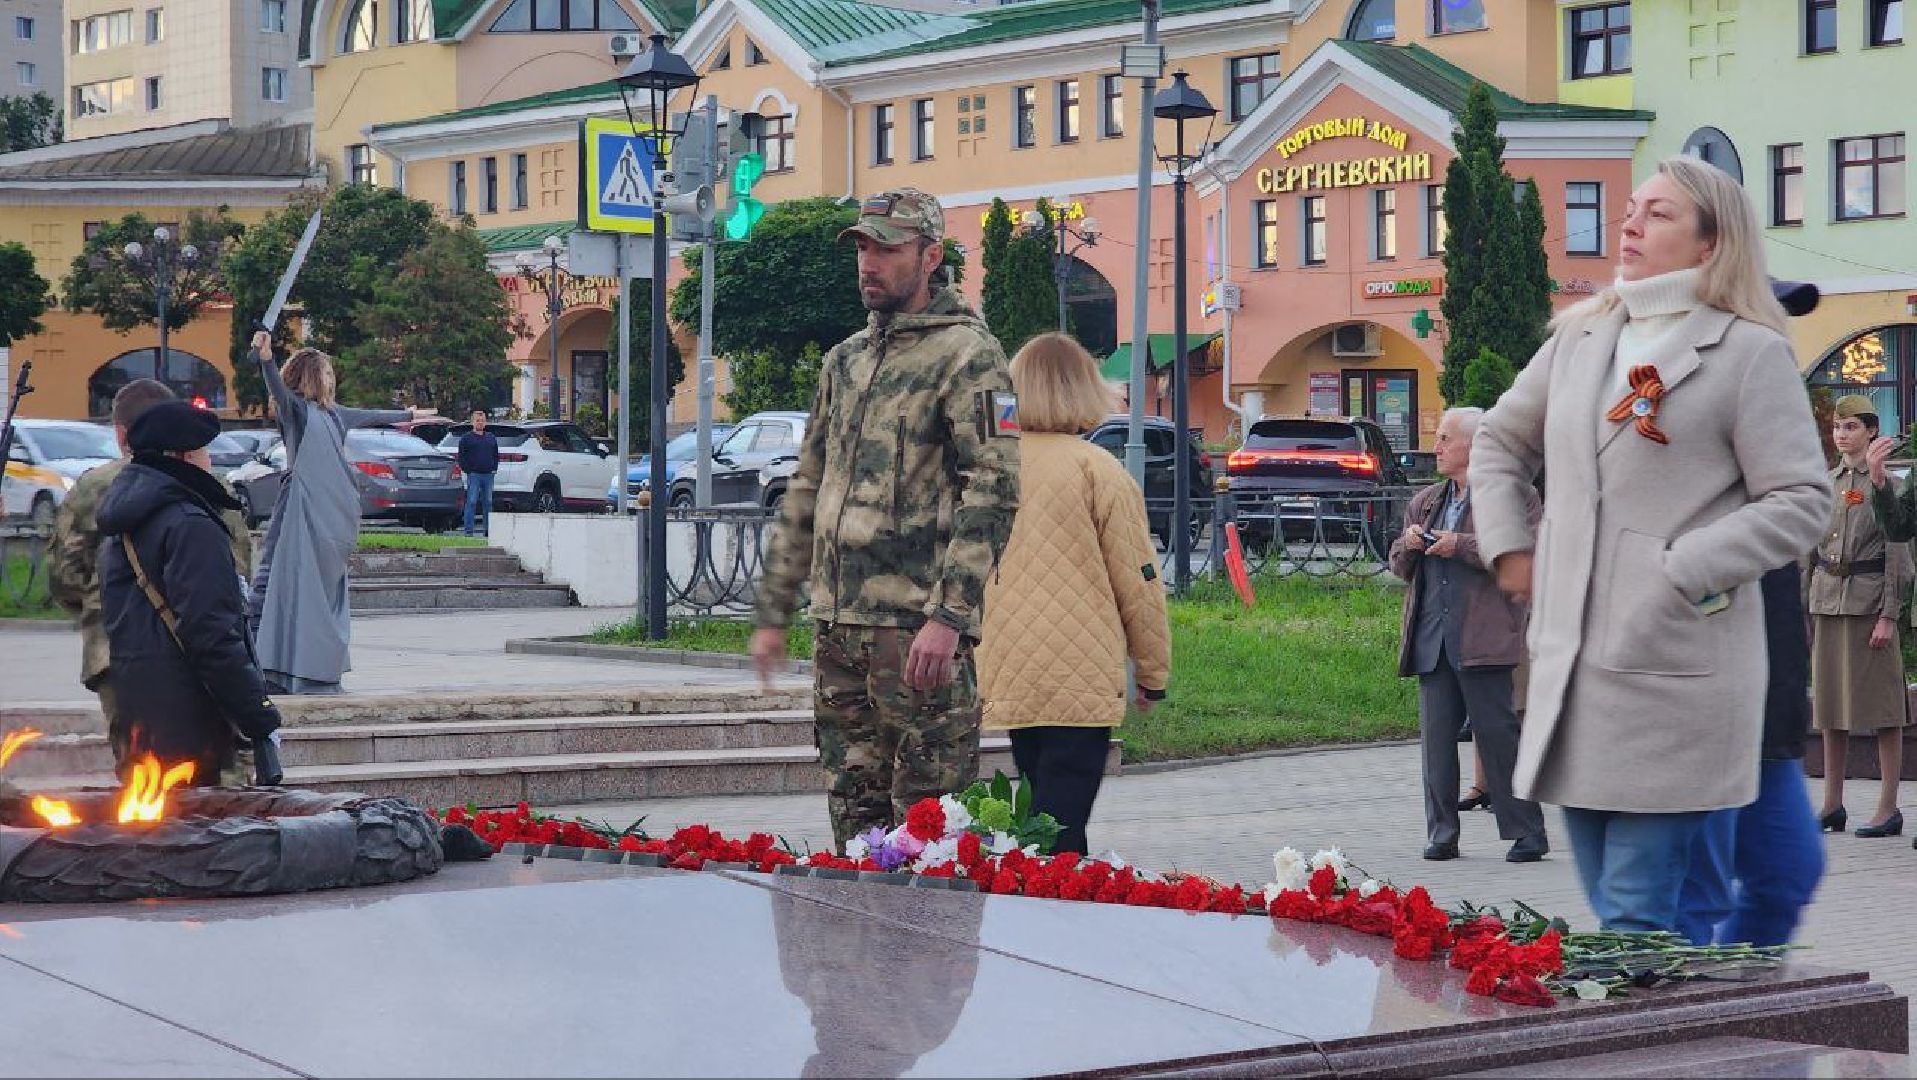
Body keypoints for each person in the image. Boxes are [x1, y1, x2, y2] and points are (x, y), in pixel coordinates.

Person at [1471, 157, 1831, 934]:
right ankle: (1712, 1033)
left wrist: (1681, 567)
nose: (1629, 225)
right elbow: (1497, 440)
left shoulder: (1747, 352)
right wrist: (1509, 547)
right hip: (1574, 669)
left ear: (1710, 243)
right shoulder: (1581, 336)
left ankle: (1694, 1038)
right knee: (1614, 908)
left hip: (1676, 672)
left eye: (1659, 214)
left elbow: (1803, 500)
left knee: (1637, 918)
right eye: (1631, 209)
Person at [750, 188, 1021, 851]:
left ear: (930, 256)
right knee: (854, 834)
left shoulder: (969, 355)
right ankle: (855, 958)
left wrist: (948, 616)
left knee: (929, 836)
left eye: (887, 249)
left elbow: (995, 483)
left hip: (914, 635)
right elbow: (807, 484)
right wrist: (775, 610)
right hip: (839, 629)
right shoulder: (844, 361)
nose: (868, 264)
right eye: (862, 248)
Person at [977, 333, 1169, 856]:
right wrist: (1152, 673)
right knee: (1064, 829)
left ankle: (1033, 910)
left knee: (1037, 804)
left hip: (1007, 661)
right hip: (1080, 670)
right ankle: (1060, 920)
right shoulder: (1098, 469)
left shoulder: (993, 469)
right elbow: (1139, 579)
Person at [46, 379, 253, 780]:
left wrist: (104, 604)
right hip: (206, 646)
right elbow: (238, 569)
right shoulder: (208, 486)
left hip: (113, 649)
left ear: (121, 433)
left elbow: (65, 574)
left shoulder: (94, 486)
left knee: (143, 778)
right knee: (222, 773)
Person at [1389, 407, 1548, 864]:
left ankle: (1527, 833)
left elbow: (1524, 553)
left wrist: (1461, 546)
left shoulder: (1514, 497)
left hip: (1486, 636)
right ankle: (1442, 833)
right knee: (1436, 745)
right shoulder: (1427, 501)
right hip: (1432, 638)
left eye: (1444, 439)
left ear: (1473, 447)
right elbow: (1399, 564)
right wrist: (1411, 544)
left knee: (1499, 737)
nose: (1435, 447)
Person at [95, 400, 282, 785]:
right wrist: (259, 715)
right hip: (189, 719)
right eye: (203, 450)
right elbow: (212, 634)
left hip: (140, 710)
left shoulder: (127, 521)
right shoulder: (189, 524)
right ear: (182, 456)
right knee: (196, 837)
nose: (209, 460)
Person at [247, 329, 411, 694]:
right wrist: (267, 360)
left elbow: (373, 416)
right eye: (327, 372)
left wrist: (411, 414)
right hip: (299, 508)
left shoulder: (335, 415)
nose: (332, 379)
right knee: (272, 579)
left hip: (329, 518)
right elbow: (277, 389)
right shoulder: (297, 413)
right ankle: (259, 662)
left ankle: (303, 664)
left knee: (316, 589)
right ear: (311, 376)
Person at [1676, 562, 1826, 946]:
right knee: (1690, 902)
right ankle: (1686, 1001)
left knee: (1787, 873)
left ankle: (1733, 998)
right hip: (1694, 720)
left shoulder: (1787, 505)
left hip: (1770, 719)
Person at [1808, 395, 1911, 838]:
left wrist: (1890, 613)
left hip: (1869, 605)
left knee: (1884, 709)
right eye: (1837, 427)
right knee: (1831, 708)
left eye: (1851, 427)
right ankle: (1832, 804)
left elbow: (1899, 553)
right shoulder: (1827, 482)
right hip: (1828, 599)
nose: (1842, 435)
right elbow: (1809, 550)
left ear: (1871, 431)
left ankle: (1888, 807)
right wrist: (1803, 608)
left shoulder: (1886, 483)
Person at [457, 410, 499, 536]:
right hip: (474, 475)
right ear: (472, 422)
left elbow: (495, 454)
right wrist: (468, 470)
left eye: (482, 421)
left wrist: (494, 468)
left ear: (485, 422)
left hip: (488, 475)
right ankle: (469, 531)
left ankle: (488, 531)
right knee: (472, 502)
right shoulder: (466, 438)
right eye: (477, 420)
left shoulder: (491, 437)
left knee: (488, 503)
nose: (480, 423)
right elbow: (461, 457)